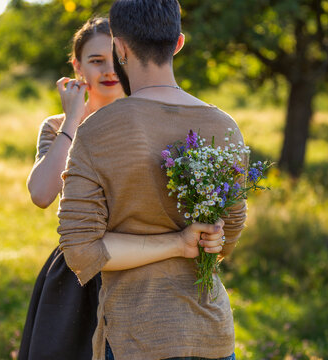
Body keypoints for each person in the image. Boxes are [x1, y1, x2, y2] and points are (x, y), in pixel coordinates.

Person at [18, 16, 225, 360]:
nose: (108, 69)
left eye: (113, 58)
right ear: (77, 66)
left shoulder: (151, 117)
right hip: (82, 270)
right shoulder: (58, 126)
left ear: (127, 55)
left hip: (148, 267)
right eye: (95, 61)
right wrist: (73, 120)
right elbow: (41, 194)